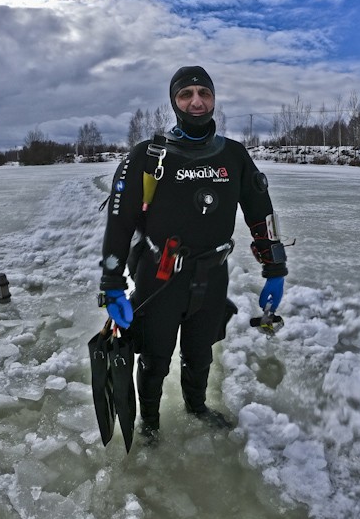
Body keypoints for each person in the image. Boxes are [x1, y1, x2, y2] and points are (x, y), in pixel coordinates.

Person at [99, 66, 288, 440]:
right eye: (186, 94)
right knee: (154, 360)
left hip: (213, 276)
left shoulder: (233, 156)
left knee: (201, 355)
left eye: (204, 93)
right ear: (174, 101)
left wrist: (275, 268)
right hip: (160, 277)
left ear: (214, 98)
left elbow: (260, 212)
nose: (196, 101)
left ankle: (196, 406)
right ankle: (150, 424)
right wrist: (112, 284)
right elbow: (119, 224)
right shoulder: (148, 157)